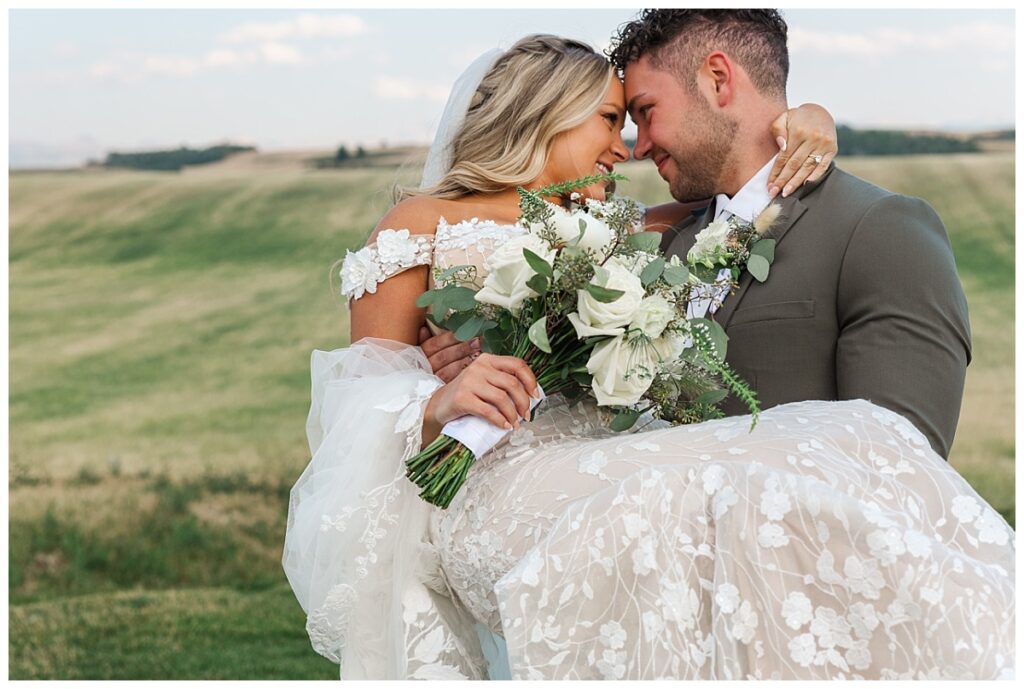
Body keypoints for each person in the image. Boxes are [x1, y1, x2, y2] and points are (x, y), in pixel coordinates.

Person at [282, 33, 1014, 680]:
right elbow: (359, 396)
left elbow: (745, 199)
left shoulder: (611, 227)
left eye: (632, 119)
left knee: (831, 446)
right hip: (488, 488)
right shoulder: (419, 225)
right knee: (717, 484)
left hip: (591, 467)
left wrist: (808, 120)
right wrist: (439, 402)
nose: (625, 145)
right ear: (543, 113)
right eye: (610, 118)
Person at [606, 9, 972, 459]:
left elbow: (899, 467)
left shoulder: (880, 230)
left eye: (646, 112)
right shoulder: (667, 243)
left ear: (718, 79)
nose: (638, 146)